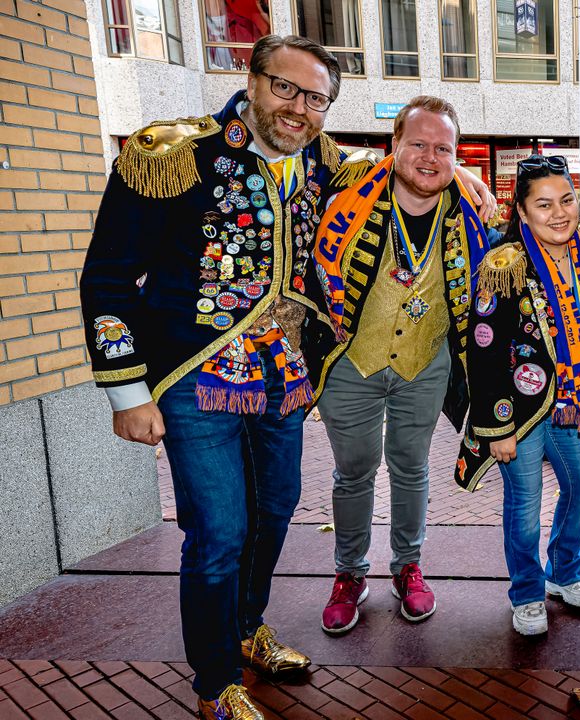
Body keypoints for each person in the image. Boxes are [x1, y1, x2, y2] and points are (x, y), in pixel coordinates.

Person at [80, 35, 365, 720]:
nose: (299, 108)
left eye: (316, 98)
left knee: (274, 512)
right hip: (190, 377)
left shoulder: (327, 164)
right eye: (286, 88)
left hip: (281, 383)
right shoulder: (173, 157)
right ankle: (215, 682)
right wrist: (128, 391)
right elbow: (108, 275)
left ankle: (245, 629)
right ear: (252, 78)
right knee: (217, 533)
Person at [307, 96, 496, 635]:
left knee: (412, 468)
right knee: (353, 472)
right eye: (418, 144)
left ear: (457, 157)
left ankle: (408, 566)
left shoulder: (471, 213)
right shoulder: (348, 197)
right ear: (394, 146)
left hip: (424, 363)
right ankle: (349, 573)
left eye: (443, 148)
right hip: (352, 363)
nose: (430, 158)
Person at [455, 156, 580, 636]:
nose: (559, 213)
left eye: (566, 199)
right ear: (522, 212)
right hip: (521, 413)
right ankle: (526, 591)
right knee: (524, 504)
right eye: (543, 204)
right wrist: (496, 427)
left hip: (574, 403)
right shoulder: (503, 264)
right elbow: (482, 351)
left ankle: (565, 571)